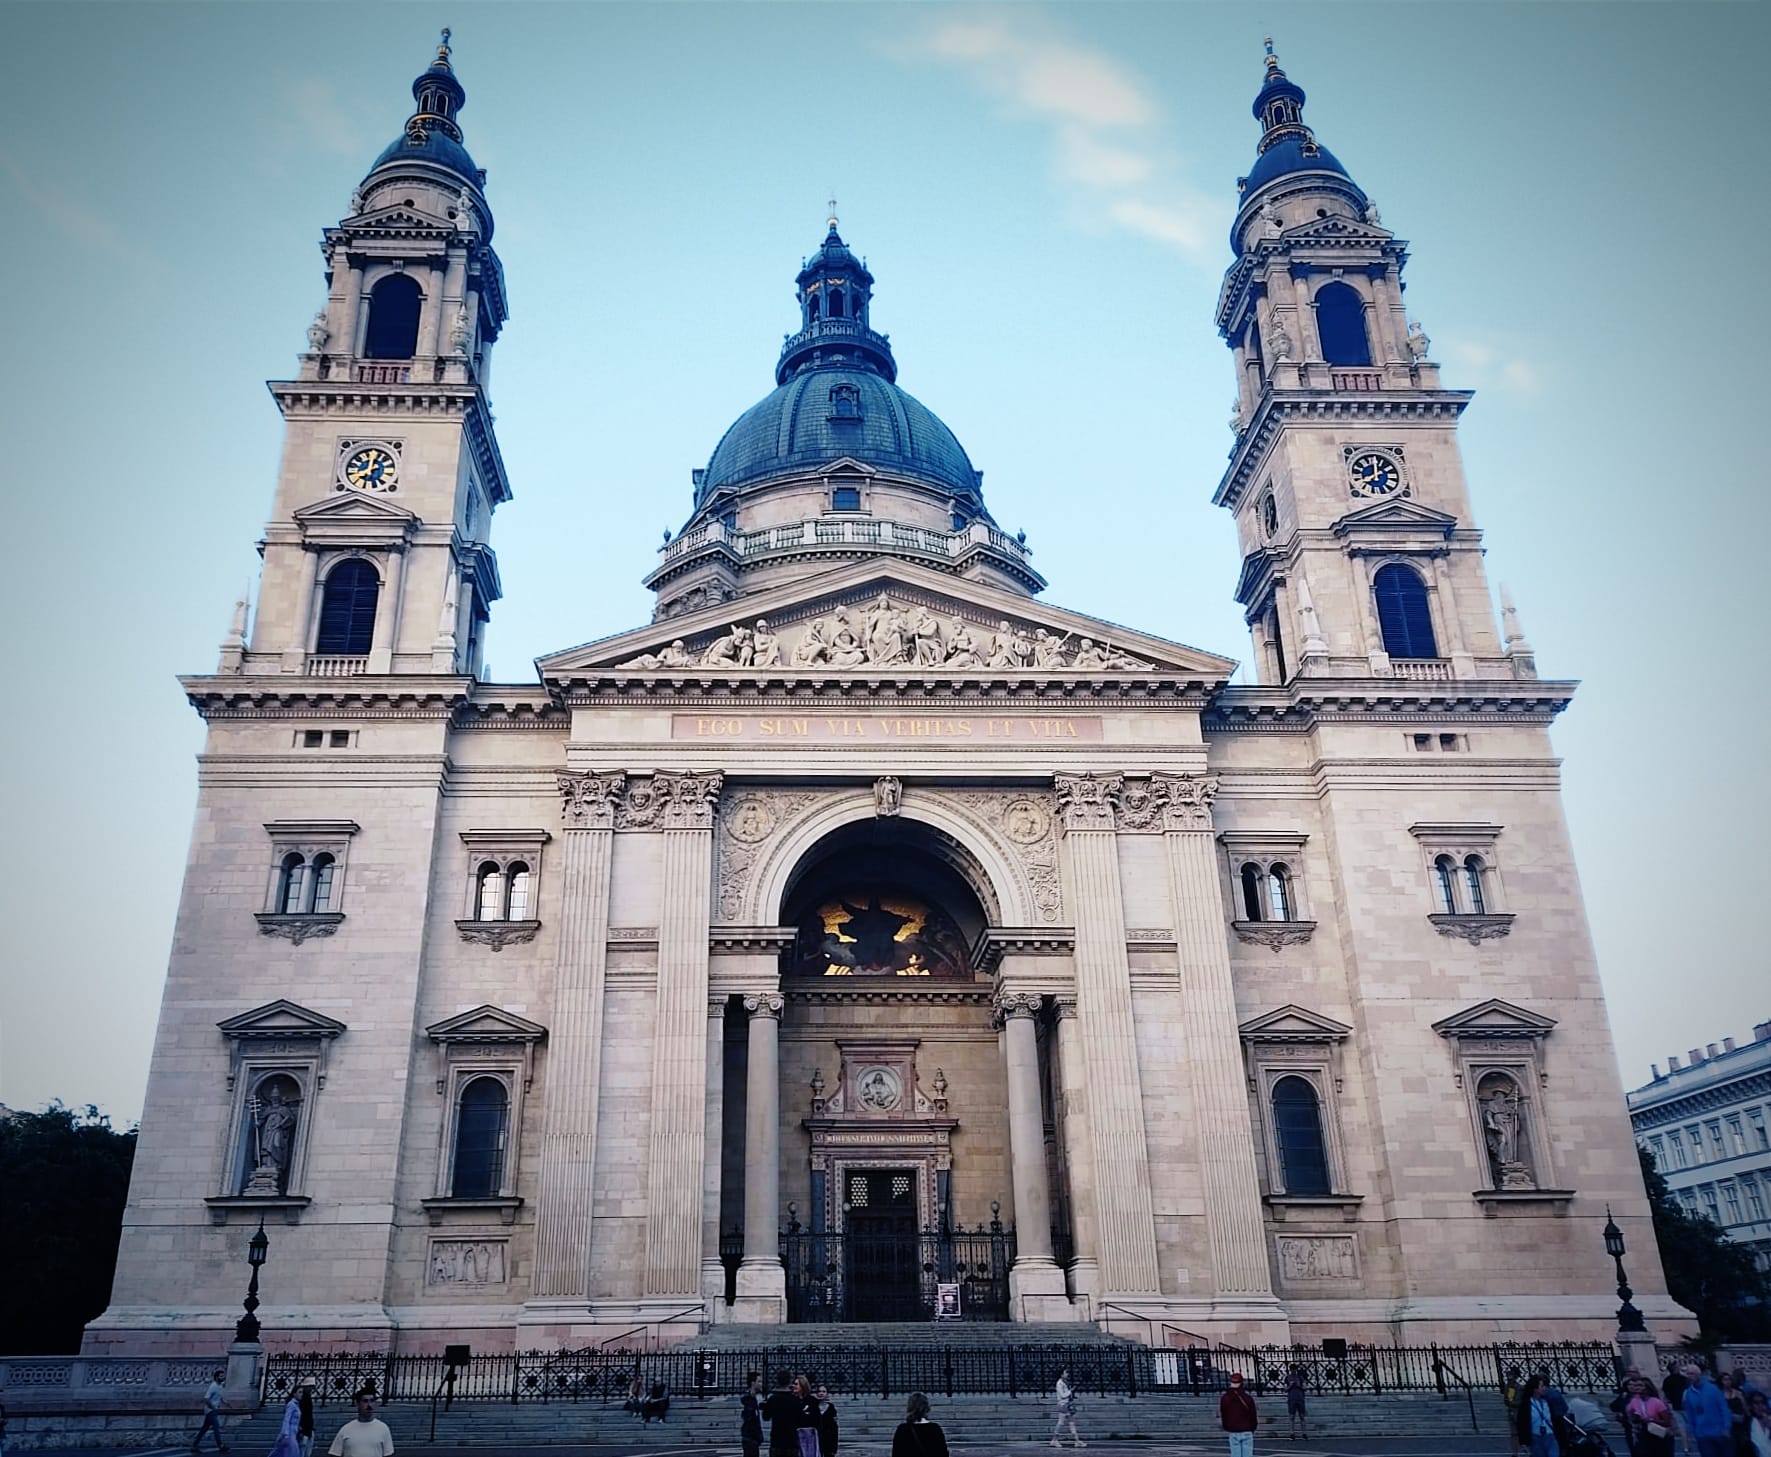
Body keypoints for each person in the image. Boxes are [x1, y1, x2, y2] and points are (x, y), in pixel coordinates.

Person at [1683, 1363, 1734, 1457]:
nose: (1690, 1376)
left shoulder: (1713, 1389)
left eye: (1692, 1374)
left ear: (1699, 1374)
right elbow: (1690, 1415)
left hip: (1720, 1432)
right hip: (1702, 1435)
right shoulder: (1688, 1394)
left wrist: (1727, 1427)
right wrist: (1694, 1432)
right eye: (1688, 1374)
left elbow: (1724, 1408)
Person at [1620, 1372, 1675, 1457]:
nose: (1636, 1388)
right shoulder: (1634, 1401)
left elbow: (1667, 1422)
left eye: (1640, 1386)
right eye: (1636, 1386)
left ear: (1647, 1388)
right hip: (1643, 1435)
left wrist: (1651, 1420)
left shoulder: (1656, 1402)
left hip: (1657, 1436)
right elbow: (1629, 1416)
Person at [325, 1391, 393, 1457]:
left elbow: (388, 1454)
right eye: (365, 1401)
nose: (369, 1405)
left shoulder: (383, 1429)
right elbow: (335, 1453)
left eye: (372, 1401)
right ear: (358, 1404)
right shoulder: (346, 1429)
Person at [891, 1392, 949, 1457]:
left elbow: (896, 1454)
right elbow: (943, 1453)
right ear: (926, 1407)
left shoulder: (902, 1429)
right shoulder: (935, 1428)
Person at [1516, 1374, 1559, 1457]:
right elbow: (1522, 1423)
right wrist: (1523, 1442)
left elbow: (1556, 1419)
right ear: (1535, 1389)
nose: (1544, 1388)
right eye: (1542, 1386)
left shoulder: (1548, 1402)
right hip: (1535, 1437)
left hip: (1550, 1435)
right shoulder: (1526, 1404)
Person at [764, 1370, 802, 1457]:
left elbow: (766, 1417)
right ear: (789, 1381)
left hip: (776, 1439)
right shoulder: (795, 1400)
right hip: (791, 1440)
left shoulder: (772, 1399)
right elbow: (800, 1419)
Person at [1219, 1372, 1258, 1457]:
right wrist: (1253, 1427)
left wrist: (1226, 1426)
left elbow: (1224, 1414)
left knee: (1235, 1453)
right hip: (1246, 1428)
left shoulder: (1225, 1397)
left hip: (1233, 1429)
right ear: (1241, 1383)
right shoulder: (1247, 1398)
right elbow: (1253, 1414)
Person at [193, 1368, 230, 1454]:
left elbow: (219, 1396)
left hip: (213, 1410)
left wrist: (225, 1402)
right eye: (221, 1376)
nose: (223, 1377)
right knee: (216, 1427)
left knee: (204, 1429)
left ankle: (194, 1445)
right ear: (216, 1377)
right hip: (210, 1411)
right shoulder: (213, 1386)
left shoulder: (220, 1386)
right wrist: (213, 1407)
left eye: (223, 1376)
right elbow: (206, 1398)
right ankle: (221, 1446)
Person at [1666, 1367, 1696, 1457]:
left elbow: (1665, 1393)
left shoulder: (1667, 1380)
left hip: (1675, 1406)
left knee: (1681, 1427)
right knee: (1691, 1424)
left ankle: (1685, 1447)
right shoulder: (1684, 1379)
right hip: (1686, 1405)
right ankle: (1693, 1442)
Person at [1052, 1369, 1084, 1449]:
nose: (1067, 1374)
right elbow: (1062, 1395)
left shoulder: (1065, 1382)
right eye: (1066, 1373)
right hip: (1063, 1404)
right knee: (1061, 1422)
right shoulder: (1059, 1383)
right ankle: (1055, 1440)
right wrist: (1071, 1391)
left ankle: (1077, 1440)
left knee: (1071, 1422)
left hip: (1068, 1404)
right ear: (1061, 1374)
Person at [268, 1386, 303, 1457]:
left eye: (302, 1392)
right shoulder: (291, 1405)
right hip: (289, 1433)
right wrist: (286, 1435)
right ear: (294, 1394)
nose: (301, 1394)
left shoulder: (297, 1405)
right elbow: (286, 1420)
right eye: (299, 1392)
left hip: (294, 1432)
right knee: (291, 1452)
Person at [793, 1376, 820, 1457]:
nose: (793, 1386)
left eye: (796, 1384)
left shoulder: (812, 1401)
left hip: (809, 1436)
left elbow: (816, 1418)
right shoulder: (792, 1401)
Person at [741, 1370, 765, 1457]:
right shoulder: (749, 1401)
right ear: (753, 1383)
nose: (761, 1384)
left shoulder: (752, 1399)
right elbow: (750, 1420)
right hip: (751, 1439)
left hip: (752, 1439)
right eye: (759, 1381)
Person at [813, 1384, 839, 1457]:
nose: (821, 1393)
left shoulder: (831, 1408)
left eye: (823, 1391)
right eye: (819, 1391)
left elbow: (834, 1428)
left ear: (827, 1393)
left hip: (828, 1439)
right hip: (817, 1438)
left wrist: (834, 1447)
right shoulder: (813, 1407)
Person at [1285, 1364, 1309, 1441]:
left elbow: (1305, 1388)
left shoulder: (1300, 1378)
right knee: (1292, 1416)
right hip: (1291, 1398)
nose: (1293, 1371)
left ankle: (1304, 1433)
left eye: (1294, 1369)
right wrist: (1290, 1385)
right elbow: (1285, 1389)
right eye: (1292, 1369)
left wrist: (1299, 1386)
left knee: (1302, 1416)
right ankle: (1292, 1433)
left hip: (1300, 1398)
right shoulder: (1287, 1378)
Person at [1746, 1391, 1771, 1457]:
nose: (1760, 1406)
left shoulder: (1769, 1419)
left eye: (1762, 1403)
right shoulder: (1748, 1423)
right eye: (1756, 1403)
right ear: (1751, 1406)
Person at [296, 1380, 316, 1457]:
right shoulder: (304, 1398)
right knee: (303, 1448)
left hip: (307, 1427)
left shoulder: (307, 1398)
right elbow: (304, 1414)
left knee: (305, 1449)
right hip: (304, 1428)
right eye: (310, 1387)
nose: (311, 1389)